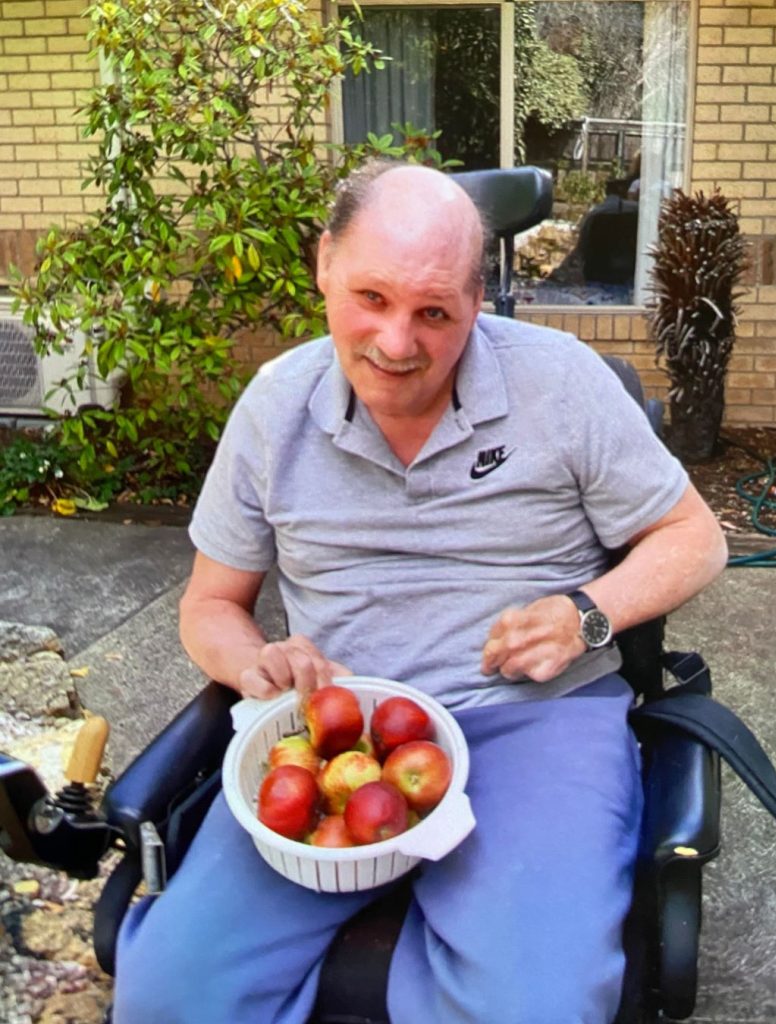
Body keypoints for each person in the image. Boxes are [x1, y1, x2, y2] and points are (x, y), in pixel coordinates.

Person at [112, 161, 727, 1024]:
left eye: (433, 311)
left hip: (531, 720)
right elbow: (210, 604)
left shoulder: (563, 384)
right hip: (336, 729)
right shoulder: (273, 408)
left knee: (532, 1008)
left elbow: (695, 539)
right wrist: (255, 661)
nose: (397, 344)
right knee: (168, 997)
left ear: (477, 301)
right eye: (370, 297)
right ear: (324, 263)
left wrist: (589, 612)